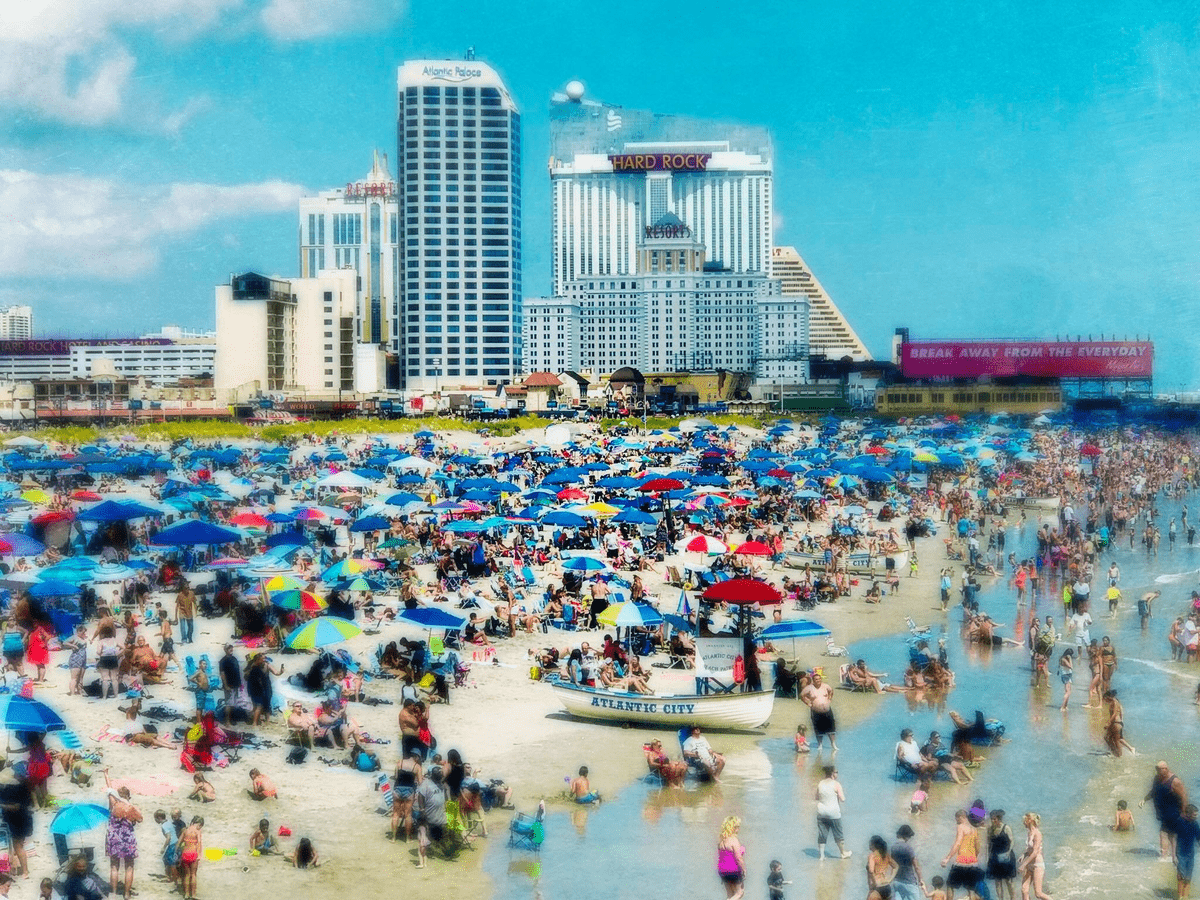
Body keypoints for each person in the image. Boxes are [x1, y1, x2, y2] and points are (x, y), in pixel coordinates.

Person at [1143, 761, 1188, 861]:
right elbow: (1154, 791)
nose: (1157, 772)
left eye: (1159, 770)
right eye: (1157, 770)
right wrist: (1145, 799)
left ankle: (1164, 857)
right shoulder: (1157, 778)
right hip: (1163, 811)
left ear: (1166, 769)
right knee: (1170, 835)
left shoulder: (1175, 782)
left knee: (1164, 833)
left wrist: (1184, 813)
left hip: (1174, 811)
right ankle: (1172, 857)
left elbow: (1184, 797)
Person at [105, 784, 142, 899]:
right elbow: (140, 819)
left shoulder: (114, 805)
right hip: (127, 838)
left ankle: (114, 893)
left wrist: (106, 775)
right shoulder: (131, 807)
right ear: (128, 796)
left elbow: (109, 790)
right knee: (129, 867)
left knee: (114, 866)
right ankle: (126, 894)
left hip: (114, 837)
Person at [0, 755, 32, 879]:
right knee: (16, 845)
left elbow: (16, 807)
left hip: (16, 820)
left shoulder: (9, 788)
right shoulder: (24, 787)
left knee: (17, 846)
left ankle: (25, 871)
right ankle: (16, 869)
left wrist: (2, 805)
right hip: (22, 819)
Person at [940, 808, 983, 900]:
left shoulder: (961, 827)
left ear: (962, 817)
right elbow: (978, 847)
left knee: (950, 886)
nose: (957, 822)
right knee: (971, 890)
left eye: (957, 819)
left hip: (961, 862)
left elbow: (958, 843)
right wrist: (974, 857)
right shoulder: (974, 829)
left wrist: (947, 858)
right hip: (973, 863)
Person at [414, 766, 449, 868]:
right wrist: (422, 809)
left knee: (442, 832)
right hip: (429, 812)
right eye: (439, 773)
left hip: (440, 812)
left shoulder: (441, 783)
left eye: (441, 773)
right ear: (433, 775)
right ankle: (424, 857)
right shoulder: (426, 784)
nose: (441, 775)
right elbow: (420, 796)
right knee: (426, 835)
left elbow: (445, 795)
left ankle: (441, 850)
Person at [815, 765, 851, 860]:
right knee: (838, 834)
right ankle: (843, 853)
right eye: (836, 772)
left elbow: (816, 797)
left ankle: (822, 855)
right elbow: (842, 799)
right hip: (833, 813)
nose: (837, 774)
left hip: (821, 812)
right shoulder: (836, 784)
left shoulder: (820, 783)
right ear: (832, 774)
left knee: (822, 834)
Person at [800, 669, 838, 754]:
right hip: (816, 712)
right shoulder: (809, 688)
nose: (818, 681)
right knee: (818, 729)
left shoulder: (825, 686)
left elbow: (831, 691)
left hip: (827, 711)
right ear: (813, 680)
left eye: (819, 679)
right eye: (816, 679)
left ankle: (833, 744)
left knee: (831, 728)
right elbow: (802, 695)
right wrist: (808, 703)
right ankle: (820, 744)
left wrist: (829, 699)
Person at [1017, 812, 1051, 900]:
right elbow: (1029, 849)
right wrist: (1024, 855)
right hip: (1030, 864)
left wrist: (1023, 865)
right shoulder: (1029, 833)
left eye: (1024, 821)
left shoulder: (1037, 834)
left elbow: (1035, 852)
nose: (1023, 823)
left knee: (1038, 894)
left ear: (1029, 821)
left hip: (1037, 864)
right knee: (1024, 890)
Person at [391, 749, 423, 841]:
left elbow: (395, 777)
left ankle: (393, 838)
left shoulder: (399, 762)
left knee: (396, 814)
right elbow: (420, 782)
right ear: (416, 757)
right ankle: (408, 838)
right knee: (408, 815)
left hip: (397, 789)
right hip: (409, 791)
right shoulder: (417, 766)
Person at [987, 809, 1018, 900]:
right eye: (991, 819)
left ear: (999, 819)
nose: (993, 821)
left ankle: (1013, 898)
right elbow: (988, 844)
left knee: (1009, 881)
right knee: (998, 881)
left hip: (1006, 856)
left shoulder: (1006, 828)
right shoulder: (990, 829)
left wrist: (1008, 852)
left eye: (994, 819)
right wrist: (988, 857)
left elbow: (1012, 841)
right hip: (995, 857)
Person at [891, 824, 925, 900]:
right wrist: (921, 880)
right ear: (906, 836)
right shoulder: (908, 848)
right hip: (909, 881)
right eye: (909, 836)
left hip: (897, 881)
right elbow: (916, 867)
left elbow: (893, 865)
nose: (909, 839)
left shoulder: (893, 848)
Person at [716, 815, 746, 900]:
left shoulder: (721, 841)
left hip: (722, 870)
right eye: (737, 827)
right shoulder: (733, 840)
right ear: (733, 827)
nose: (738, 829)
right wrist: (744, 869)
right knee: (739, 893)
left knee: (730, 894)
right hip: (733, 869)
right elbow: (738, 858)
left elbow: (723, 857)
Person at [1177, 804, 1200, 900]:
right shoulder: (1180, 822)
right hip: (1180, 854)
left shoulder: (1195, 824)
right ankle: (1180, 897)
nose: (1197, 816)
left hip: (1190, 854)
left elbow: (1199, 839)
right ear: (1188, 814)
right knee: (1181, 877)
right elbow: (1173, 836)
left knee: (1188, 878)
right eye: (1195, 815)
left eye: (1197, 815)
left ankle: (1185, 897)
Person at [178, 815, 203, 900]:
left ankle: (186, 894)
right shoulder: (197, 831)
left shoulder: (185, 830)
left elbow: (179, 842)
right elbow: (199, 843)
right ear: (199, 824)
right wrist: (199, 855)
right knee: (193, 875)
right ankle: (193, 895)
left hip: (185, 854)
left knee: (187, 875)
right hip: (193, 854)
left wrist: (177, 852)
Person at [218, 643, 242, 727]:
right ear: (225, 650)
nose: (231, 649)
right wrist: (226, 685)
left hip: (236, 684)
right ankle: (227, 721)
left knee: (234, 703)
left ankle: (233, 719)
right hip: (229, 685)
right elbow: (222, 674)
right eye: (229, 648)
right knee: (228, 703)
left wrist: (240, 683)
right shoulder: (223, 661)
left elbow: (237, 671)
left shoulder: (234, 658)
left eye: (231, 648)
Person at [63, 624, 89, 695]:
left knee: (81, 677)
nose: (84, 633)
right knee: (74, 678)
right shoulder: (74, 637)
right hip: (76, 658)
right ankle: (72, 693)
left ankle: (79, 692)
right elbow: (64, 642)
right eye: (83, 632)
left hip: (83, 659)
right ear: (79, 631)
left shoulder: (83, 638)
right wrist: (73, 645)